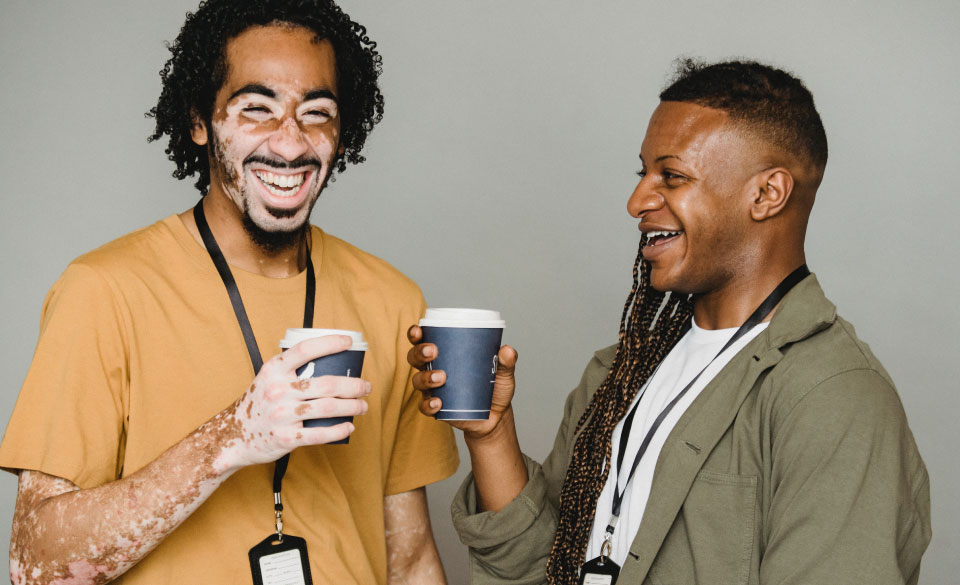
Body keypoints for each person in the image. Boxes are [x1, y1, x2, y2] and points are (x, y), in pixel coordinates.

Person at [408, 59, 931, 584]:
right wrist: (491, 435)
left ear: (767, 194)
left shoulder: (832, 397)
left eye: (672, 176)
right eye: (643, 173)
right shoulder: (620, 372)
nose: (637, 201)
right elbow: (541, 566)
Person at [0, 1, 458, 583]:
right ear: (199, 120)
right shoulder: (103, 292)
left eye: (316, 112)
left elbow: (411, 560)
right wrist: (233, 436)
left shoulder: (394, 300)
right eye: (256, 109)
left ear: (343, 130)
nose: (290, 144)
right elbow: (35, 564)